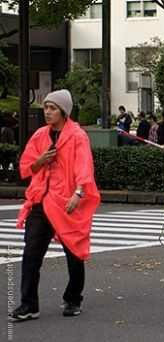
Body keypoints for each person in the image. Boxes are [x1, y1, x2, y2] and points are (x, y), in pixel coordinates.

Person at [10, 90, 101, 322]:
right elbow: (26, 167)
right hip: (41, 201)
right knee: (31, 253)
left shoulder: (77, 136)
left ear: (64, 111)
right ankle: (28, 304)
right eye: (46, 108)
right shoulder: (41, 135)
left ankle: (73, 299)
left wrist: (78, 193)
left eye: (52, 108)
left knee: (74, 252)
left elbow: (84, 167)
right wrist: (41, 161)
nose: (48, 112)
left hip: (68, 202)